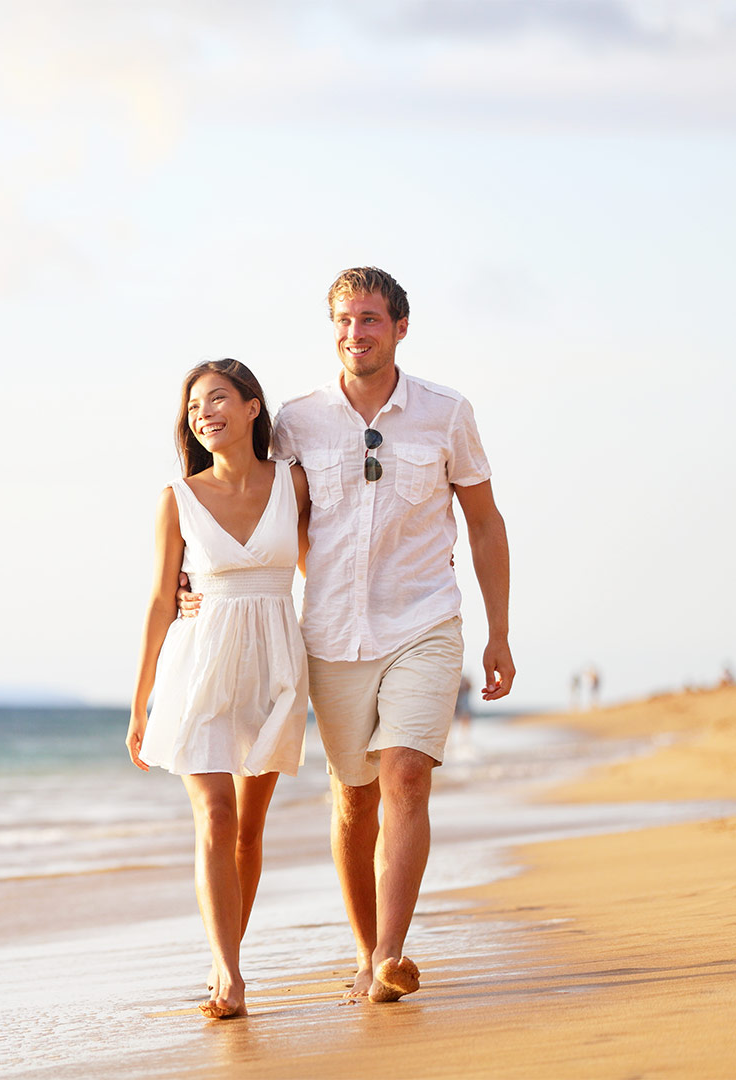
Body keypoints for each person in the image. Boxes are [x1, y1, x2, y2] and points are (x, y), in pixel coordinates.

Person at [179, 267, 515, 1004]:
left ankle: (393, 955)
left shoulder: (446, 413)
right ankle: (365, 953)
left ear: (399, 327)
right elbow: (252, 506)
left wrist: (499, 632)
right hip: (330, 636)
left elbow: (486, 525)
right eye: (342, 320)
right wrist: (192, 578)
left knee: (404, 775)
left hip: (425, 621)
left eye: (368, 319)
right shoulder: (297, 422)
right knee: (353, 799)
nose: (354, 333)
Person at [126, 359, 310, 1021]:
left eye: (219, 399)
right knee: (217, 814)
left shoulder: (294, 484)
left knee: (249, 831)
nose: (205, 414)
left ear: (254, 408)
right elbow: (158, 600)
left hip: (274, 662)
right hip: (197, 665)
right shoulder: (177, 498)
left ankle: (224, 951)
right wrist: (141, 699)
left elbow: (327, 564)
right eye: (195, 406)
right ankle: (229, 974)